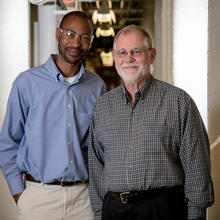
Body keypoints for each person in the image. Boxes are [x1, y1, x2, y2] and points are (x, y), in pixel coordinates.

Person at [88, 24, 214, 220]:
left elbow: (197, 166)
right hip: (114, 211)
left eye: (136, 51)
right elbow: (96, 167)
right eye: (122, 52)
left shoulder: (179, 102)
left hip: (163, 210)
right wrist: (99, 212)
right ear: (114, 58)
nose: (128, 58)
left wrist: (197, 214)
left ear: (152, 55)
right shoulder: (101, 107)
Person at [0, 11, 106, 220]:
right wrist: (19, 194)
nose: (76, 43)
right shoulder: (27, 83)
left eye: (84, 37)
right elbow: (8, 143)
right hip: (39, 198)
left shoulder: (97, 86)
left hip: (84, 199)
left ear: (91, 42)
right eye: (70, 34)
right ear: (57, 35)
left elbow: (100, 144)